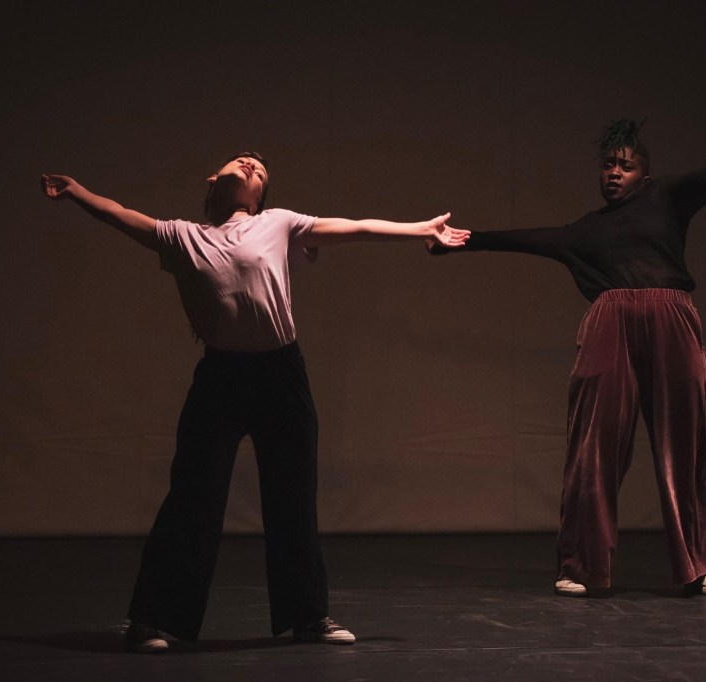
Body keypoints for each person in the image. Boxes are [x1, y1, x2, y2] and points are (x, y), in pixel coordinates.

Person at [40, 152, 467, 652]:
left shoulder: (277, 223)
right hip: (220, 379)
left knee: (292, 497)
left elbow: (354, 227)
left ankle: (308, 617)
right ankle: (151, 620)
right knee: (192, 499)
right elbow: (118, 214)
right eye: (243, 160)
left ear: (261, 195)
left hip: (280, 374)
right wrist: (76, 192)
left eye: (260, 169)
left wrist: (421, 229)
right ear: (212, 178)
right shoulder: (182, 236)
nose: (250, 163)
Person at [432, 121, 706, 597]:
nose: (615, 173)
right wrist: (466, 239)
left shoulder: (665, 197)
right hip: (610, 322)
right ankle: (580, 566)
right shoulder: (586, 230)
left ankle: (697, 567)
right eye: (607, 166)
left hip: (672, 318)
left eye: (626, 165)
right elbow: (530, 239)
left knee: (682, 445)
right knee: (593, 448)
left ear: (643, 173)